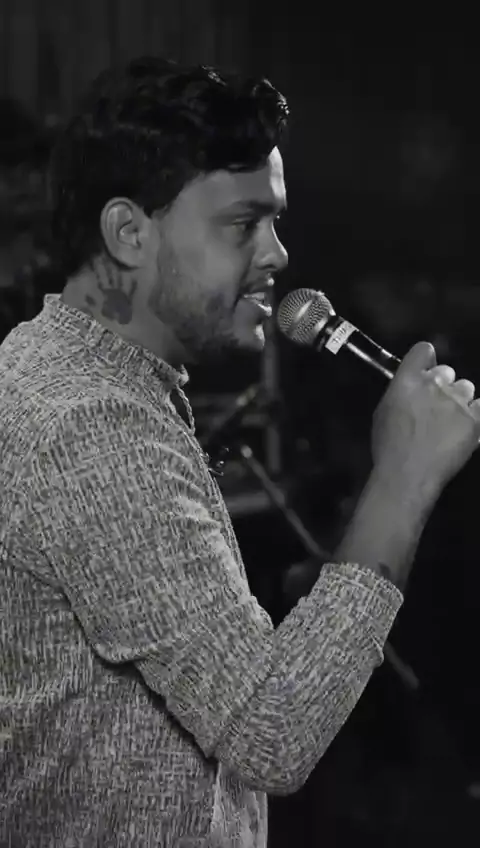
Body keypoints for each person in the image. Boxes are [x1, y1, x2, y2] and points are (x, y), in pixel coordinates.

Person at [0, 55, 479, 848]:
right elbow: (273, 732)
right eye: (242, 224)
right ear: (128, 233)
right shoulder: (93, 426)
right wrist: (405, 476)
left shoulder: (60, 369)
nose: (277, 253)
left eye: (274, 220)